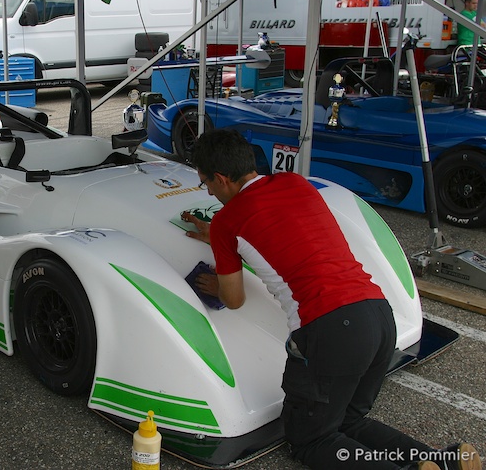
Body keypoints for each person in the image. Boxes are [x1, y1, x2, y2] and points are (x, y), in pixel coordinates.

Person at [181, 128, 481, 470]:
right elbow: (287, 238)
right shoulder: (294, 183)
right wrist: (224, 241)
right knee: (350, 423)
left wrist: (217, 278)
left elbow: (234, 300)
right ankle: (441, 462)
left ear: (221, 178)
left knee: (312, 439)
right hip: (378, 315)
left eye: (206, 183)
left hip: (331, 329)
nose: (208, 191)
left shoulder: (227, 222)